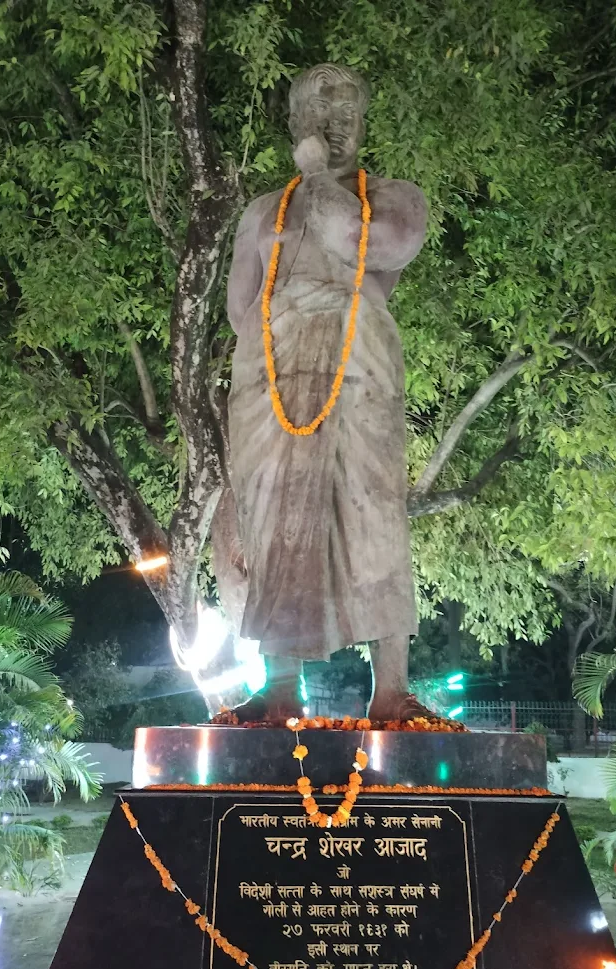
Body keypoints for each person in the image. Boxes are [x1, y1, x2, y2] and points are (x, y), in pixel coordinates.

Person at [224, 63, 431, 721]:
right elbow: (239, 305)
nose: (334, 130)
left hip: (356, 373)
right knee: (276, 520)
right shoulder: (263, 212)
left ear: (363, 124)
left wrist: (316, 180)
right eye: (319, 118)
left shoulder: (395, 197)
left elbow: (370, 242)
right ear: (296, 126)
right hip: (274, 375)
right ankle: (280, 688)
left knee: (371, 512)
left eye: (345, 117)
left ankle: (391, 691)